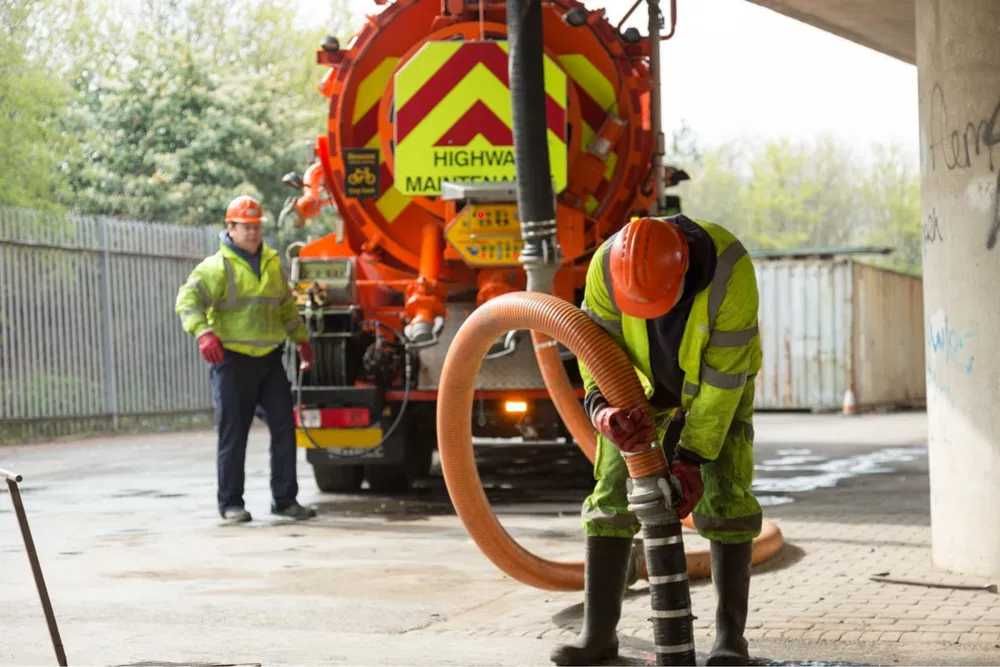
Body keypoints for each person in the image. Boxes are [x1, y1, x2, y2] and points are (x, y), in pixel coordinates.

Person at [551, 215, 762, 666]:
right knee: (610, 492)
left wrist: (692, 457)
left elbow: (724, 379)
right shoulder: (608, 264)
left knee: (725, 493)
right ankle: (598, 636)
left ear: (684, 270)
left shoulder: (731, 269)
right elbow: (593, 346)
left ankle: (729, 642)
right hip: (633, 392)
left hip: (716, 389)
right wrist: (601, 408)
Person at [175, 195, 318, 524]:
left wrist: (302, 341)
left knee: (284, 426)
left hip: (269, 360)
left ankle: (285, 499)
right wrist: (202, 332)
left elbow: (285, 308)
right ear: (231, 227)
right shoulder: (216, 267)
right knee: (233, 432)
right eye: (245, 227)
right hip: (232, 361)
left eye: (256, 227)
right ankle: (231, 503)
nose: (252, 233)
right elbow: (187, 301)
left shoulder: (271, 264)